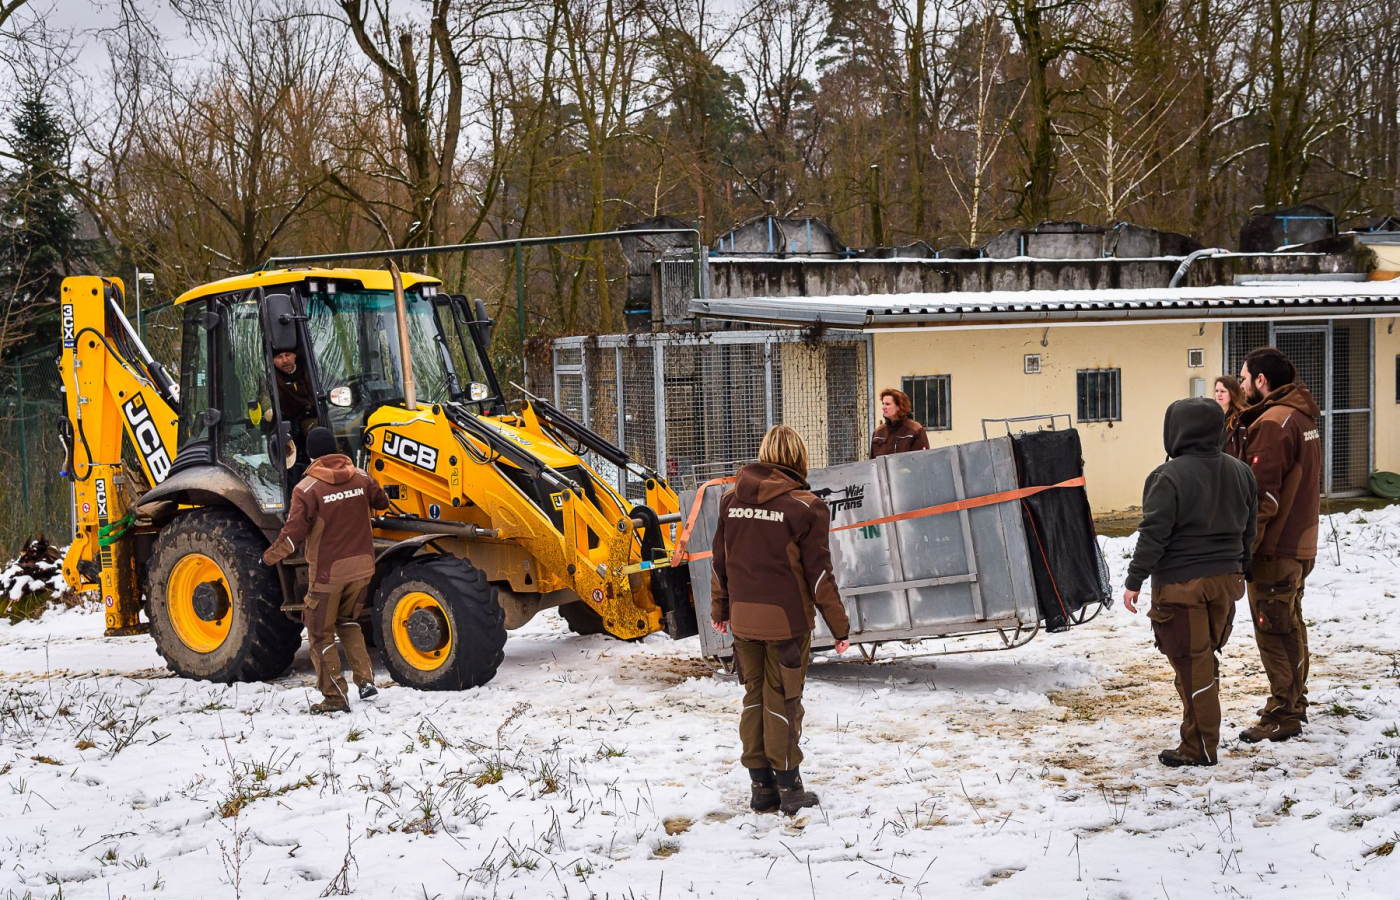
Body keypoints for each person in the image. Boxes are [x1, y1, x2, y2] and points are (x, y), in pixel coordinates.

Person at [711, 425, 851, 815]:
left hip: (742, 619)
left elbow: (719, 561)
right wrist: (840, 627)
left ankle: (761, 788)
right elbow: (819, 574)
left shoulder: (729, 499)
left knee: (753, 696)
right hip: (786, 623)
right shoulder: (806, 506)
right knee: (784, 700)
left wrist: (720, 610)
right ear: (799, 458)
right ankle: (790, 789)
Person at [1122, 398, 1256, 767]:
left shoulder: (1167, 476)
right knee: (1203, 661)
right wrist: (1243, 567)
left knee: (1193, 664)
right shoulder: (1242, 471)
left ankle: (1200, 745)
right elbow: (1250, 529)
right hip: (1226, 583)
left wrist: (1135, 579)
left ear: (1175, 430)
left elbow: (1154, 534)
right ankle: (1200, 735)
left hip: (1182, 585)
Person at [263, 426, 390, 714]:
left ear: (309, 454)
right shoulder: (361, 477)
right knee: (347, 621)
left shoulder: (306, 489)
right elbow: (382, 502)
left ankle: (334, 698)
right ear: (335, 448)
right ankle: (366, 681)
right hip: (363, 569)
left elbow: (292, 535)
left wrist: (268, 559)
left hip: (328, 576)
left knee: (320, 633)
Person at [1236, 347, 1322, 744]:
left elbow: (1262, 498)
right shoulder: (1301, 415)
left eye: (1243, 378)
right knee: (1290, 624)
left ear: (1261, 381)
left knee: (1273, 630)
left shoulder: (1272, 423)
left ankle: (1284, 713)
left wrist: (1243, 549)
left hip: (1275, 547)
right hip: (1299, 542)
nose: (1239, 385)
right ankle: (1292, 701)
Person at [870, 388, 929, 458]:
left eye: (887, 404)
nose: (883, 407)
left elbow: (923, 459)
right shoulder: (878, 432)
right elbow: (872, 462)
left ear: (899, 406)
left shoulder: (915, 430)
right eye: (883, 404)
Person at [1214, 375, 1249, 459]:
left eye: (1223, 391)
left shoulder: (1242, 416)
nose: (1218, 394)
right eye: (1216, 391)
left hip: (1234, 465)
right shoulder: (1213, 415)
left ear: (1232, 393)